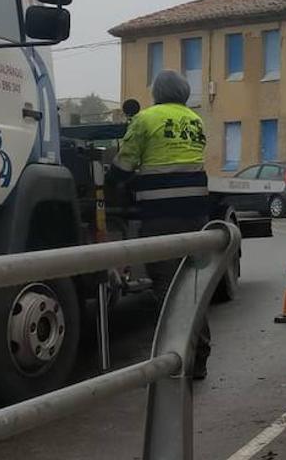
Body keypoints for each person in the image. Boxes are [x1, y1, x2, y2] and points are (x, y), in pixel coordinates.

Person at [110, 70, 212, 379]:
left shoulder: (145, 119)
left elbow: (124, 166)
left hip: (161, 217)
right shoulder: (195, 120)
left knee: (167, 287)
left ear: (156, 92)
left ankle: (178, 358)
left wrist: (111, 183)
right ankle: (200, 354)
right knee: (191, 286)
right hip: (197, 216)